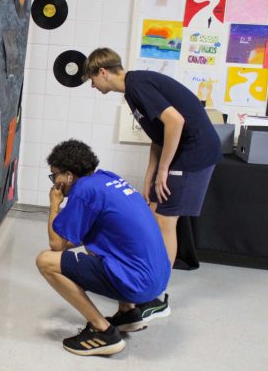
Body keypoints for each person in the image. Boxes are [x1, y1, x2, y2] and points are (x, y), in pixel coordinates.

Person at [82, 48, 221, 322]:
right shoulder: (131, 92)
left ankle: (156, 296)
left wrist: (164, 168)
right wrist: (150, 173)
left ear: (103, 72)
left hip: (195, 151)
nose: (92, 86)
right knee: (153, 213)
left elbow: (175, 122)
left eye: (92, 79)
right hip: (182, 151)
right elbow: (158, 135)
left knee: (164, 221)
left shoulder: (137, 84)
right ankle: (147, 281)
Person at [36, 140, 170, 356]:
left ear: (69, 175)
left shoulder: (83, 190)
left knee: (45, 261)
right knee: (94, 243)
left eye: (55, 176)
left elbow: (56, 245)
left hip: (139, 283)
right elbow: (82, 236)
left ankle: (102, 331)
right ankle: (128, 314)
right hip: (158, 278)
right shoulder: (108, 178)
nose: (54, 182)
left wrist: (54, 204)